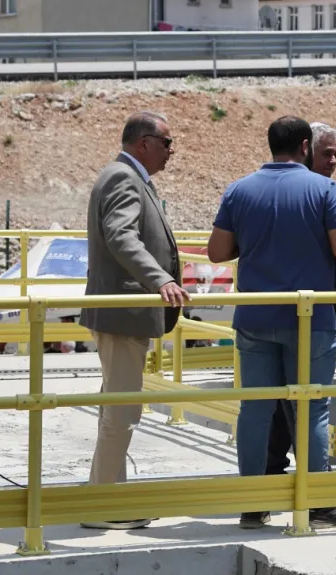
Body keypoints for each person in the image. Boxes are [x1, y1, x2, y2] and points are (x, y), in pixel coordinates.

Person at [208, 116, 336, 531]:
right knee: (311, 409)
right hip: (309, 320)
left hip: (256, 316)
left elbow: (217, 252)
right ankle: (317, 504)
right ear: (305, 146)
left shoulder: (239, 189)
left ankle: (252, 504)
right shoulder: (324, 189)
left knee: (255, 409)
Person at [79, 111, 187, 531]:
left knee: (116, 408)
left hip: (123, 315)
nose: (171, 151)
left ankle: (107, 496)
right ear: (144, 143)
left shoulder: (125, 176)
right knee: (122, 411)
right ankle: (103, 506)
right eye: (167, 143)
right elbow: (121, 236)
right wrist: (161, 279)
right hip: (123, 315)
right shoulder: (124, 178)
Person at [264, 121, 336, 479]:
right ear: (305, 149)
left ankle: (273, 473)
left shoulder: (325, 191)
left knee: (292, 405)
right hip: (296, 320)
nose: (333, 161)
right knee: (303, 405)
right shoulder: (300, 196)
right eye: (327, 153)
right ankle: (312, 488)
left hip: (317, 318)